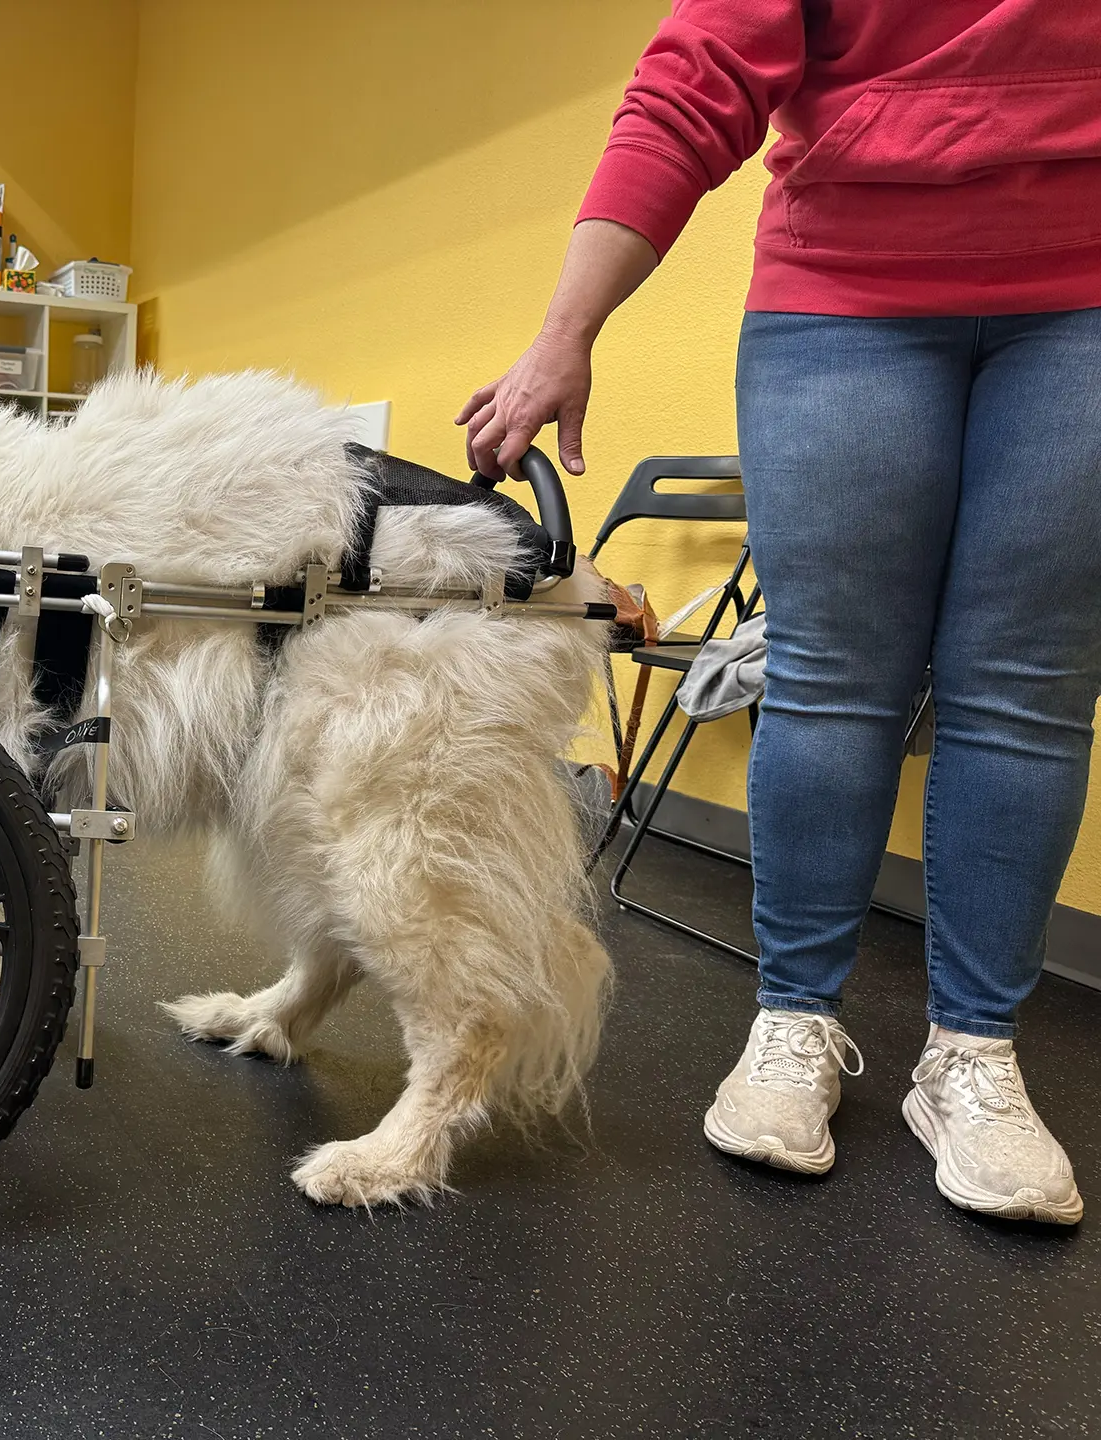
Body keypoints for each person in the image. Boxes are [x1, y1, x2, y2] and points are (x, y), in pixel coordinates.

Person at [462, 0, 1101, 1224]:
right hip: (845, 295)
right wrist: (566, 331)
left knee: (1027, 686)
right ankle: (793, 1018)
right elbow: (694, 80)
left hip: (1084, 295)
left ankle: (973, 1055)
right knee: (829, 677)